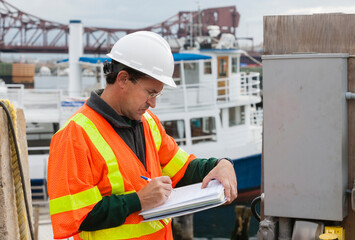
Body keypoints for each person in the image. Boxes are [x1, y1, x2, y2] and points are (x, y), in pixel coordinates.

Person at [47, 31, 237, 240]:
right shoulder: (74, 135)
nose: (153, 103)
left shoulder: (148, 122)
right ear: (123, 79)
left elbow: (182, 170)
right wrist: (138, 200)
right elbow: (75, 216)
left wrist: (220, 165)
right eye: (150, 92)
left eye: (157, 94)